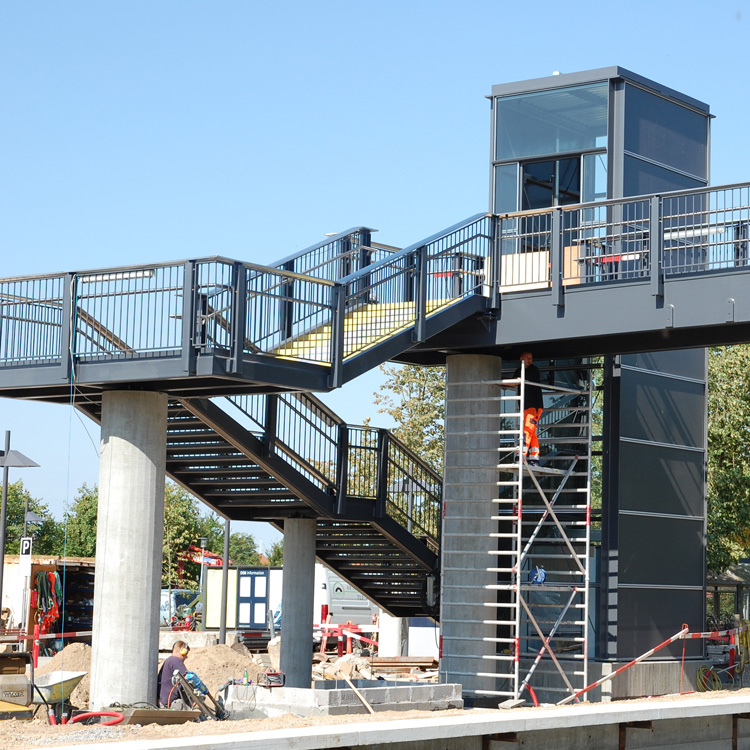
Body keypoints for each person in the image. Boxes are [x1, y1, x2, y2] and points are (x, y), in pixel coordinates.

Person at [513, 352, 543, 467]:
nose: (530, 360)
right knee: (531, 432)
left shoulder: (533, 370)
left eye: (531, 358)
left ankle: (521, 455)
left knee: (527, 430)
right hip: (526, 406)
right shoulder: (519, 370)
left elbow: (517, 381)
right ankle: (534, 458)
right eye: (528, 358)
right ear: (521, 358)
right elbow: (515, 381)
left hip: (533, 406)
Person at [158, 640, 190, 708]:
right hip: (170, 704)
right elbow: (187, 677)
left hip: (164, 702)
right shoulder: (175, 660)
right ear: (182, 651)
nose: (186, 657)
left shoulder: (169, 660)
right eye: (186, 654)